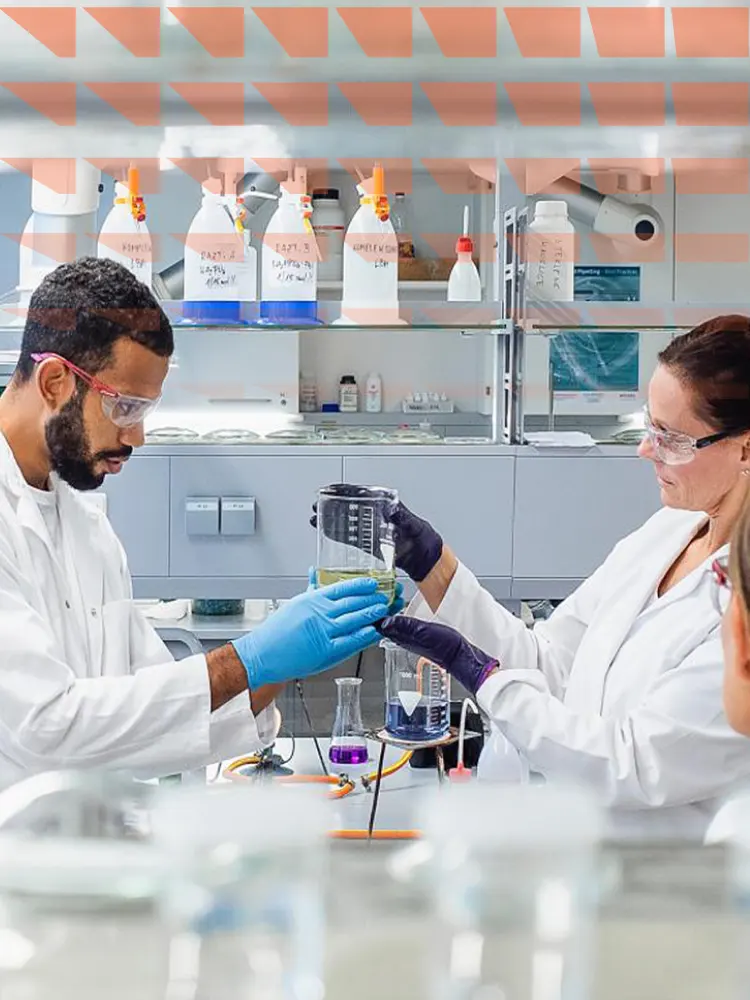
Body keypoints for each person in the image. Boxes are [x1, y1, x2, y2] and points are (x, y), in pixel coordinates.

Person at [0, 257, 391, 790]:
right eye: (125, 408)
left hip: (90, 852)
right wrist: (249, 658)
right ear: (53, 382)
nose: (136, 437)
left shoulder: (87, 527)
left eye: (146, 411)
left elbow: (159, 711)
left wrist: (277, 665)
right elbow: (47, 726)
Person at [374, 315, 750, 838]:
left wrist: (485, 678)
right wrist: (432, 567)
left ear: (746, 449)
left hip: (671, 891)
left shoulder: (742, 599)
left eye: (673, 439)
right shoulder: (668, 531)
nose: (646, 450)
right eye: (649, 425)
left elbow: (631, 763)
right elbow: (547, 660)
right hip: (583, 861)